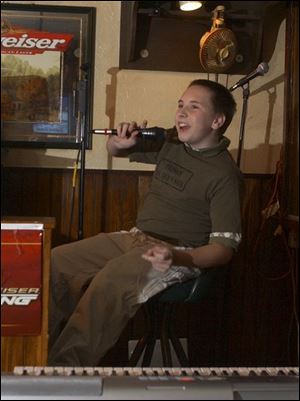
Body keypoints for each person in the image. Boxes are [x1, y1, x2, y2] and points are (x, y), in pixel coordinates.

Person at [48, 79, 243, 367]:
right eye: (180, 105)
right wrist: (117, 142)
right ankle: (33, 354)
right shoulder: (171, 142)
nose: (181, 113)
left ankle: (61, 374)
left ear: (217, 120)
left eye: (193, 106)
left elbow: (223, 249)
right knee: (56, 262)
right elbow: (117, 150)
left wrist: (177, 256)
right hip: (135, 238)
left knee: (110, 282)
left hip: (176, 250)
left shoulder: (225, 174)